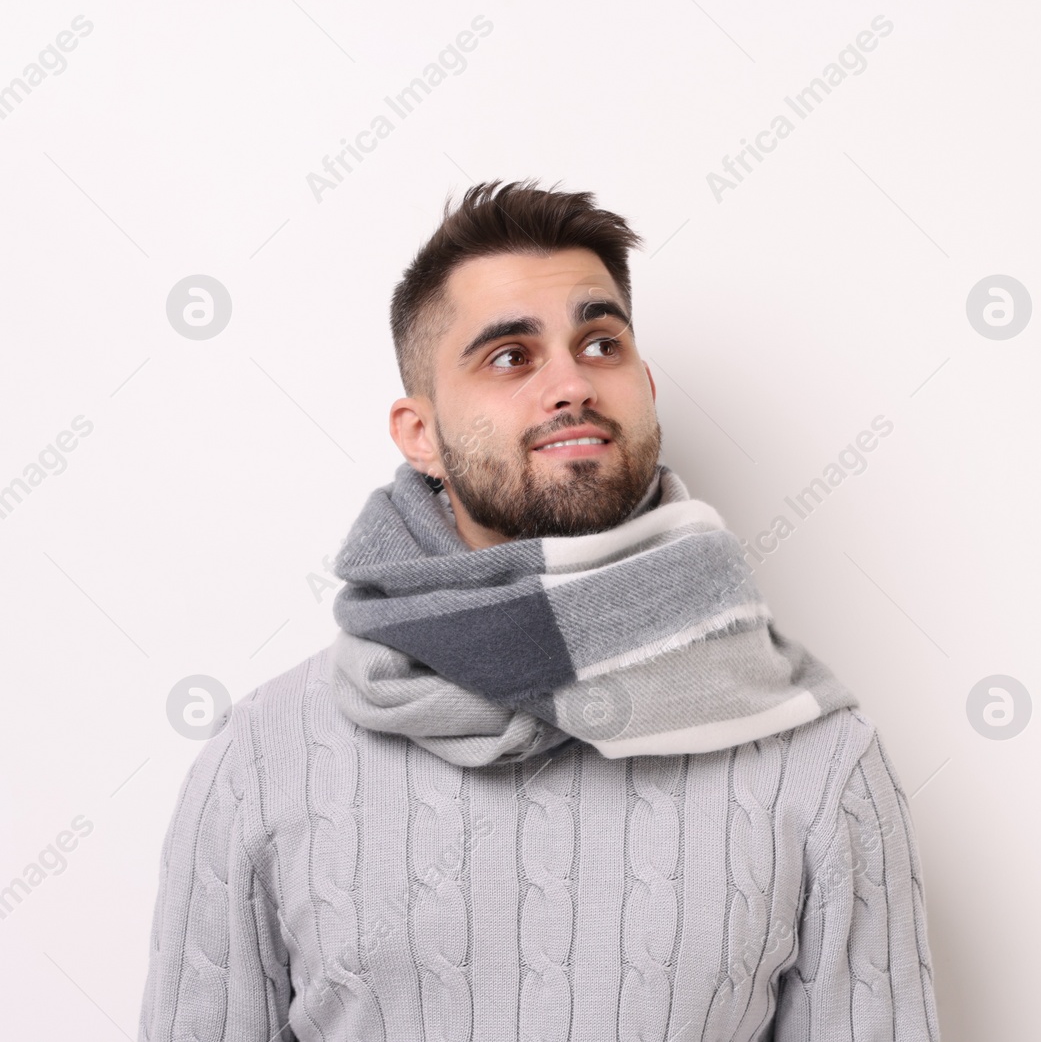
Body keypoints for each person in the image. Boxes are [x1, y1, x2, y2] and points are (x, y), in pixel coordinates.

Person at [136, 180, 941, 1041]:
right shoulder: (265, 757)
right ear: (420, 433)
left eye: (600, 344)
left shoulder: (811, 751)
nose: (571, 384)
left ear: (646, 386)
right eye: (511, 357)